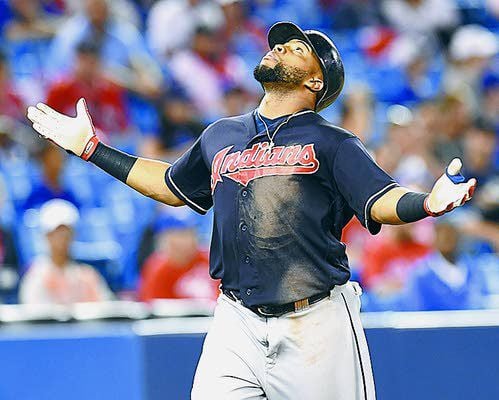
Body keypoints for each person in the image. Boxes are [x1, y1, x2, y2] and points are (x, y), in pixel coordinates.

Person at [27, 21, 477, 400]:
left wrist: (428, 204)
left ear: (315, 82)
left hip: (314, 321)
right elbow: (170, 185)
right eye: (279, 42)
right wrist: (92, 149)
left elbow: (380, 200)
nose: (279, 46)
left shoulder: (334, 143)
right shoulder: (222, 134)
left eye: (297, 48)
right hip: (236, 319)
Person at [19, 199, 113, 304]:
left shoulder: (87, 275)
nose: (62, 238)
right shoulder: (36, 275)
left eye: (66, 232)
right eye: (57, 232)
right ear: (46, 236)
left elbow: (104, 306)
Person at [138, 211, 218, 301]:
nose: (186, 241)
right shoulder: (157, 268)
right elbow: (153, 305)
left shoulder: (209, 260)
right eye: (180, 235)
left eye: (189, 233)